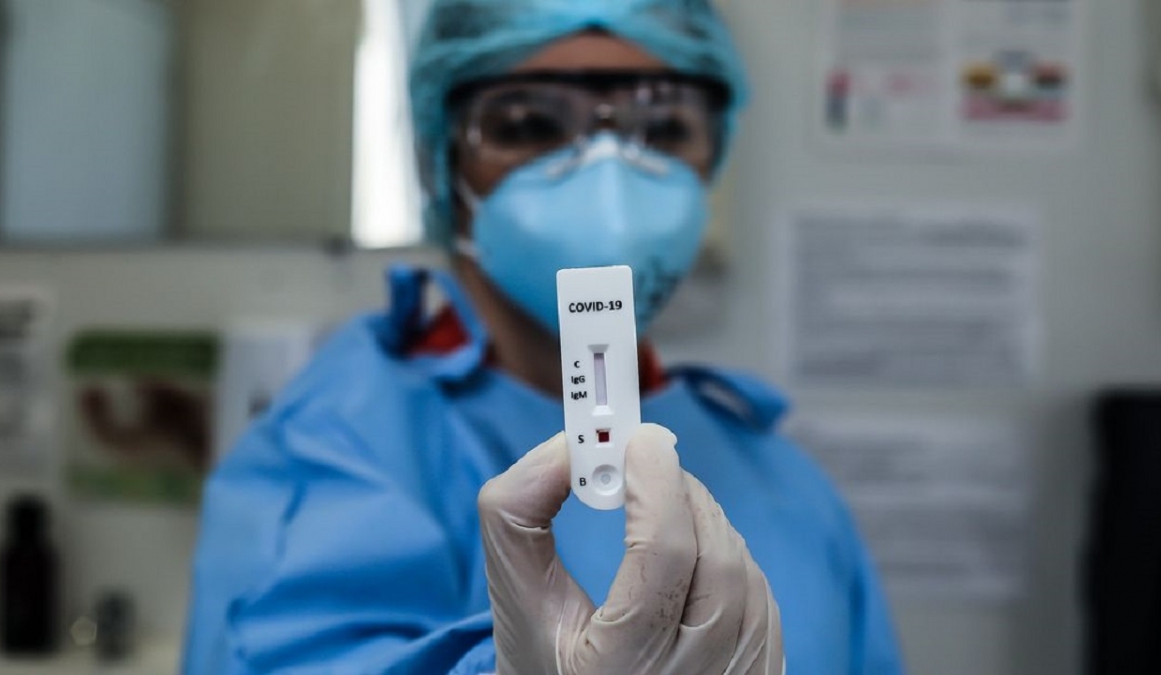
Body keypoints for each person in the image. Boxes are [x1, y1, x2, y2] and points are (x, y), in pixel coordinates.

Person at [183, 1, 905, 673]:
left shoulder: (781, 479)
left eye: (662, 127)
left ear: (712, 157)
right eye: (529, 125)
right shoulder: (337, 447)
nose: (608, 179)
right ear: (441, 163)